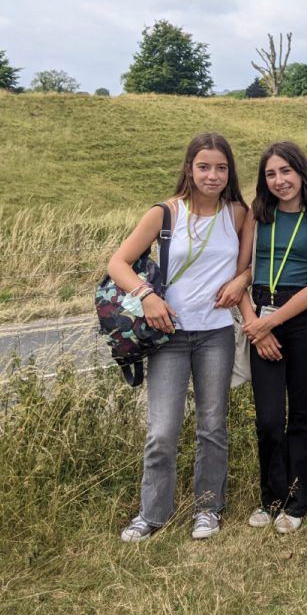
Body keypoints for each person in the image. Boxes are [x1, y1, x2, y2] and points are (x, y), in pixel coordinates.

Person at [111, 132, 249, 542]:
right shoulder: (165, 213)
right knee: (162, 430)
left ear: (230, 172)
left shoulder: (237, 214)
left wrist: (240, 281)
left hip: (216, 334)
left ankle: (208, 508)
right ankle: (152, 513)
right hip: (168, 335)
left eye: (221, 168)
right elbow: (118, 263)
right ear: (189, 168)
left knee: (212, 426)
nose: (212, 175)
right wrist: (147, 296)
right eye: (204, 166)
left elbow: (249, 264)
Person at [235, 142, 307, 533]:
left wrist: (271, 323)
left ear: (301, 173)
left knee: (302, 412)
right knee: (269, 419)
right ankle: (271, 498)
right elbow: (239, 276)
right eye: (271, 174)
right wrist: (254, 325)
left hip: (303, 321)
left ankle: (296, 502)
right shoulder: (257, 217)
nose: (280, 181)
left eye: (286, 171)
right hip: (260, 314)